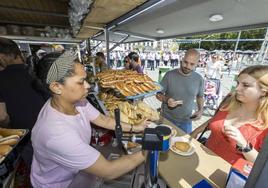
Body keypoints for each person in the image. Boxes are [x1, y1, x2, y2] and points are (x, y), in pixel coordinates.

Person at [31, 51, 148, 187]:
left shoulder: (74, 101)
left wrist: (135, 128)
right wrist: (150, 149)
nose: (88, 85)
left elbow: (104, 120)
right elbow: (109, 170)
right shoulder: (55, 133)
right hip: (58, 184)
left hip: (75, 173)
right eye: (81, 82)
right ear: (56, 87)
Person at [191, 65, 268, 164]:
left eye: (245, 85)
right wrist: (195, 132)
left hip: (229, 176)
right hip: (202, 161)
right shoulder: (230, 100)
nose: (237, 88)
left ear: (263, 91)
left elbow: (262, 165)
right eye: (238, 83)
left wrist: (244, 145)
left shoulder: (265, 125)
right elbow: (215, 120)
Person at [0, 37, 47, 168]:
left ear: (2, 56)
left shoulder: (1, 79)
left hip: (26, 138)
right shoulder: (38, 70)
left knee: (38, 169)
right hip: (50, 129)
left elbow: (2, 117)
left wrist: (8, 127)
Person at [156, 49, 204, 133]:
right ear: (182, 59)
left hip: (186, 122)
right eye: (185, 62)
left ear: (197, 63)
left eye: (192, 64)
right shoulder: (169, 75)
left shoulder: (199, 79)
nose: (187, 66)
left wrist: (200, 110)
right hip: (167, 119)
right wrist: (167, 100)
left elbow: (200, 96)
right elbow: (158, 94)